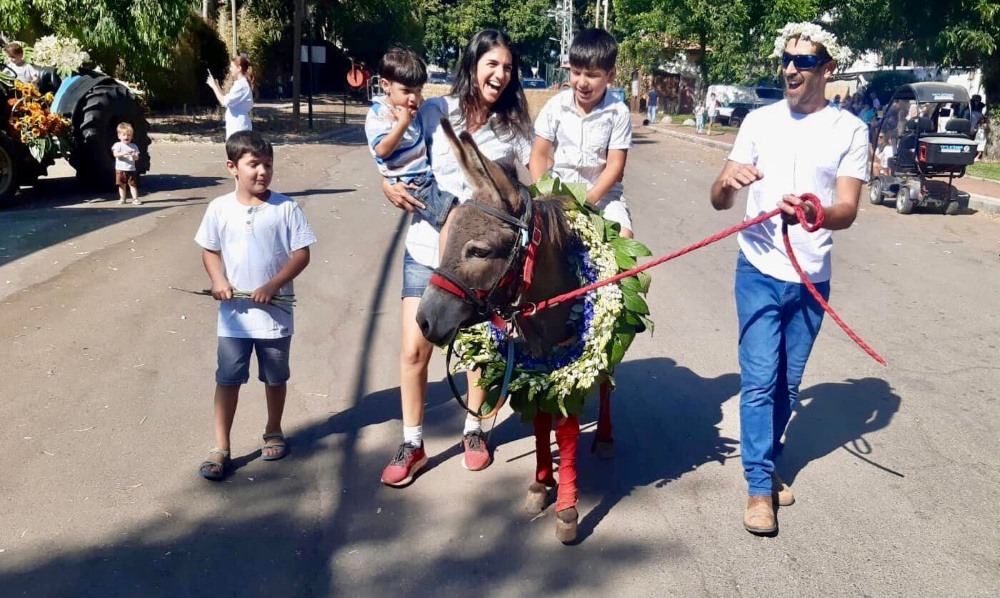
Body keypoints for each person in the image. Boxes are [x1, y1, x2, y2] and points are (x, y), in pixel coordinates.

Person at [709, 22, 868, 535]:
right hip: (757, 267)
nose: (791, 68)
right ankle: (758, 487)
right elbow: (719, 196)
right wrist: (727, 185)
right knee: (758, 381)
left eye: (804, 61)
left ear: (828, 69)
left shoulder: (850, 130)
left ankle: (766, 461)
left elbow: (847, 208)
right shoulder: (758, 121)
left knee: (787, 385)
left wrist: (815, 212)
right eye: (787, 59)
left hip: (811, 277)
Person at [379, 30, 532, 486]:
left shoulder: (512, 129)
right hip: (427, 248)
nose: (500, 74)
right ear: (473, 64)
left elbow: (541, 180)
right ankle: (412, 443)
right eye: (492, 64)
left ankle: (474, 429)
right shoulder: (434, 112)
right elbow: (400, 162)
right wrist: (385, 182)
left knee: (477, 351)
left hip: (481, 262)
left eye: (507, 67)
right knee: (414, 348)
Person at [194, 131, 317, 481]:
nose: (262, 171)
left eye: (267, 164)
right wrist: (218, 281)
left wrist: (273, 285)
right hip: (234, 320)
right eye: (253, 164)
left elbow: (302, 253)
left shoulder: (286, 208)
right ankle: (221, 446)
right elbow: (210, 250)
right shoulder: (218, 208)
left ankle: (273, 429)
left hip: (275, 318)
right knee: (227, 379)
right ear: (232, 167)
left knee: (275, 377)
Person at [530, 28, 634, 238]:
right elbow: (538, 155)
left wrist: (588, 200)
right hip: (558, 194)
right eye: (576, 72)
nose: (582, 82)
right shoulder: (555, 106)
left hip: (602, 197)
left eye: (592, 75)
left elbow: (615, 165)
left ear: (610, 75)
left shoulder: (618, 112)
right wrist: (543, 195)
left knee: (623, 236)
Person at [365, 48, 457, 232]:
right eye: (406, 91)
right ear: (385, 85)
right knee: (453, 218)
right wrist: (402, 124)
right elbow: (381, 151)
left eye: (418, 90)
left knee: (458, 213)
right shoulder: (379, 114)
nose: (414, 98)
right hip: (412, 183)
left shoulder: (409, 109)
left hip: (424, 178)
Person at [206, 55, 256, 140]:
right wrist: (217, 86)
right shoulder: (239, 84)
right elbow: (227, 99)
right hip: (236, 127)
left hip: (239, 128)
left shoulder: (241, 85)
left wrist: (214, 87)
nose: (230, 69)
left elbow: (224, 102)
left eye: (232, 66)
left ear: (239, 68)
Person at [111, 122, 141, 205]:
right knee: (121, 185)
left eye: (128, 135)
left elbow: (137, 158)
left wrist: (133, 155)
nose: (126, 137)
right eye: (124, 135)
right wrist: (124, 153)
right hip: (120, 169)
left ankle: (135, 199)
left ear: (131, 136)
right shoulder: (117, 145)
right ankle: (122, 199)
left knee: (133, 185)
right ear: (119, 136)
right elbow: (115, 154)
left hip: (131, 169)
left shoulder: (134, 146)